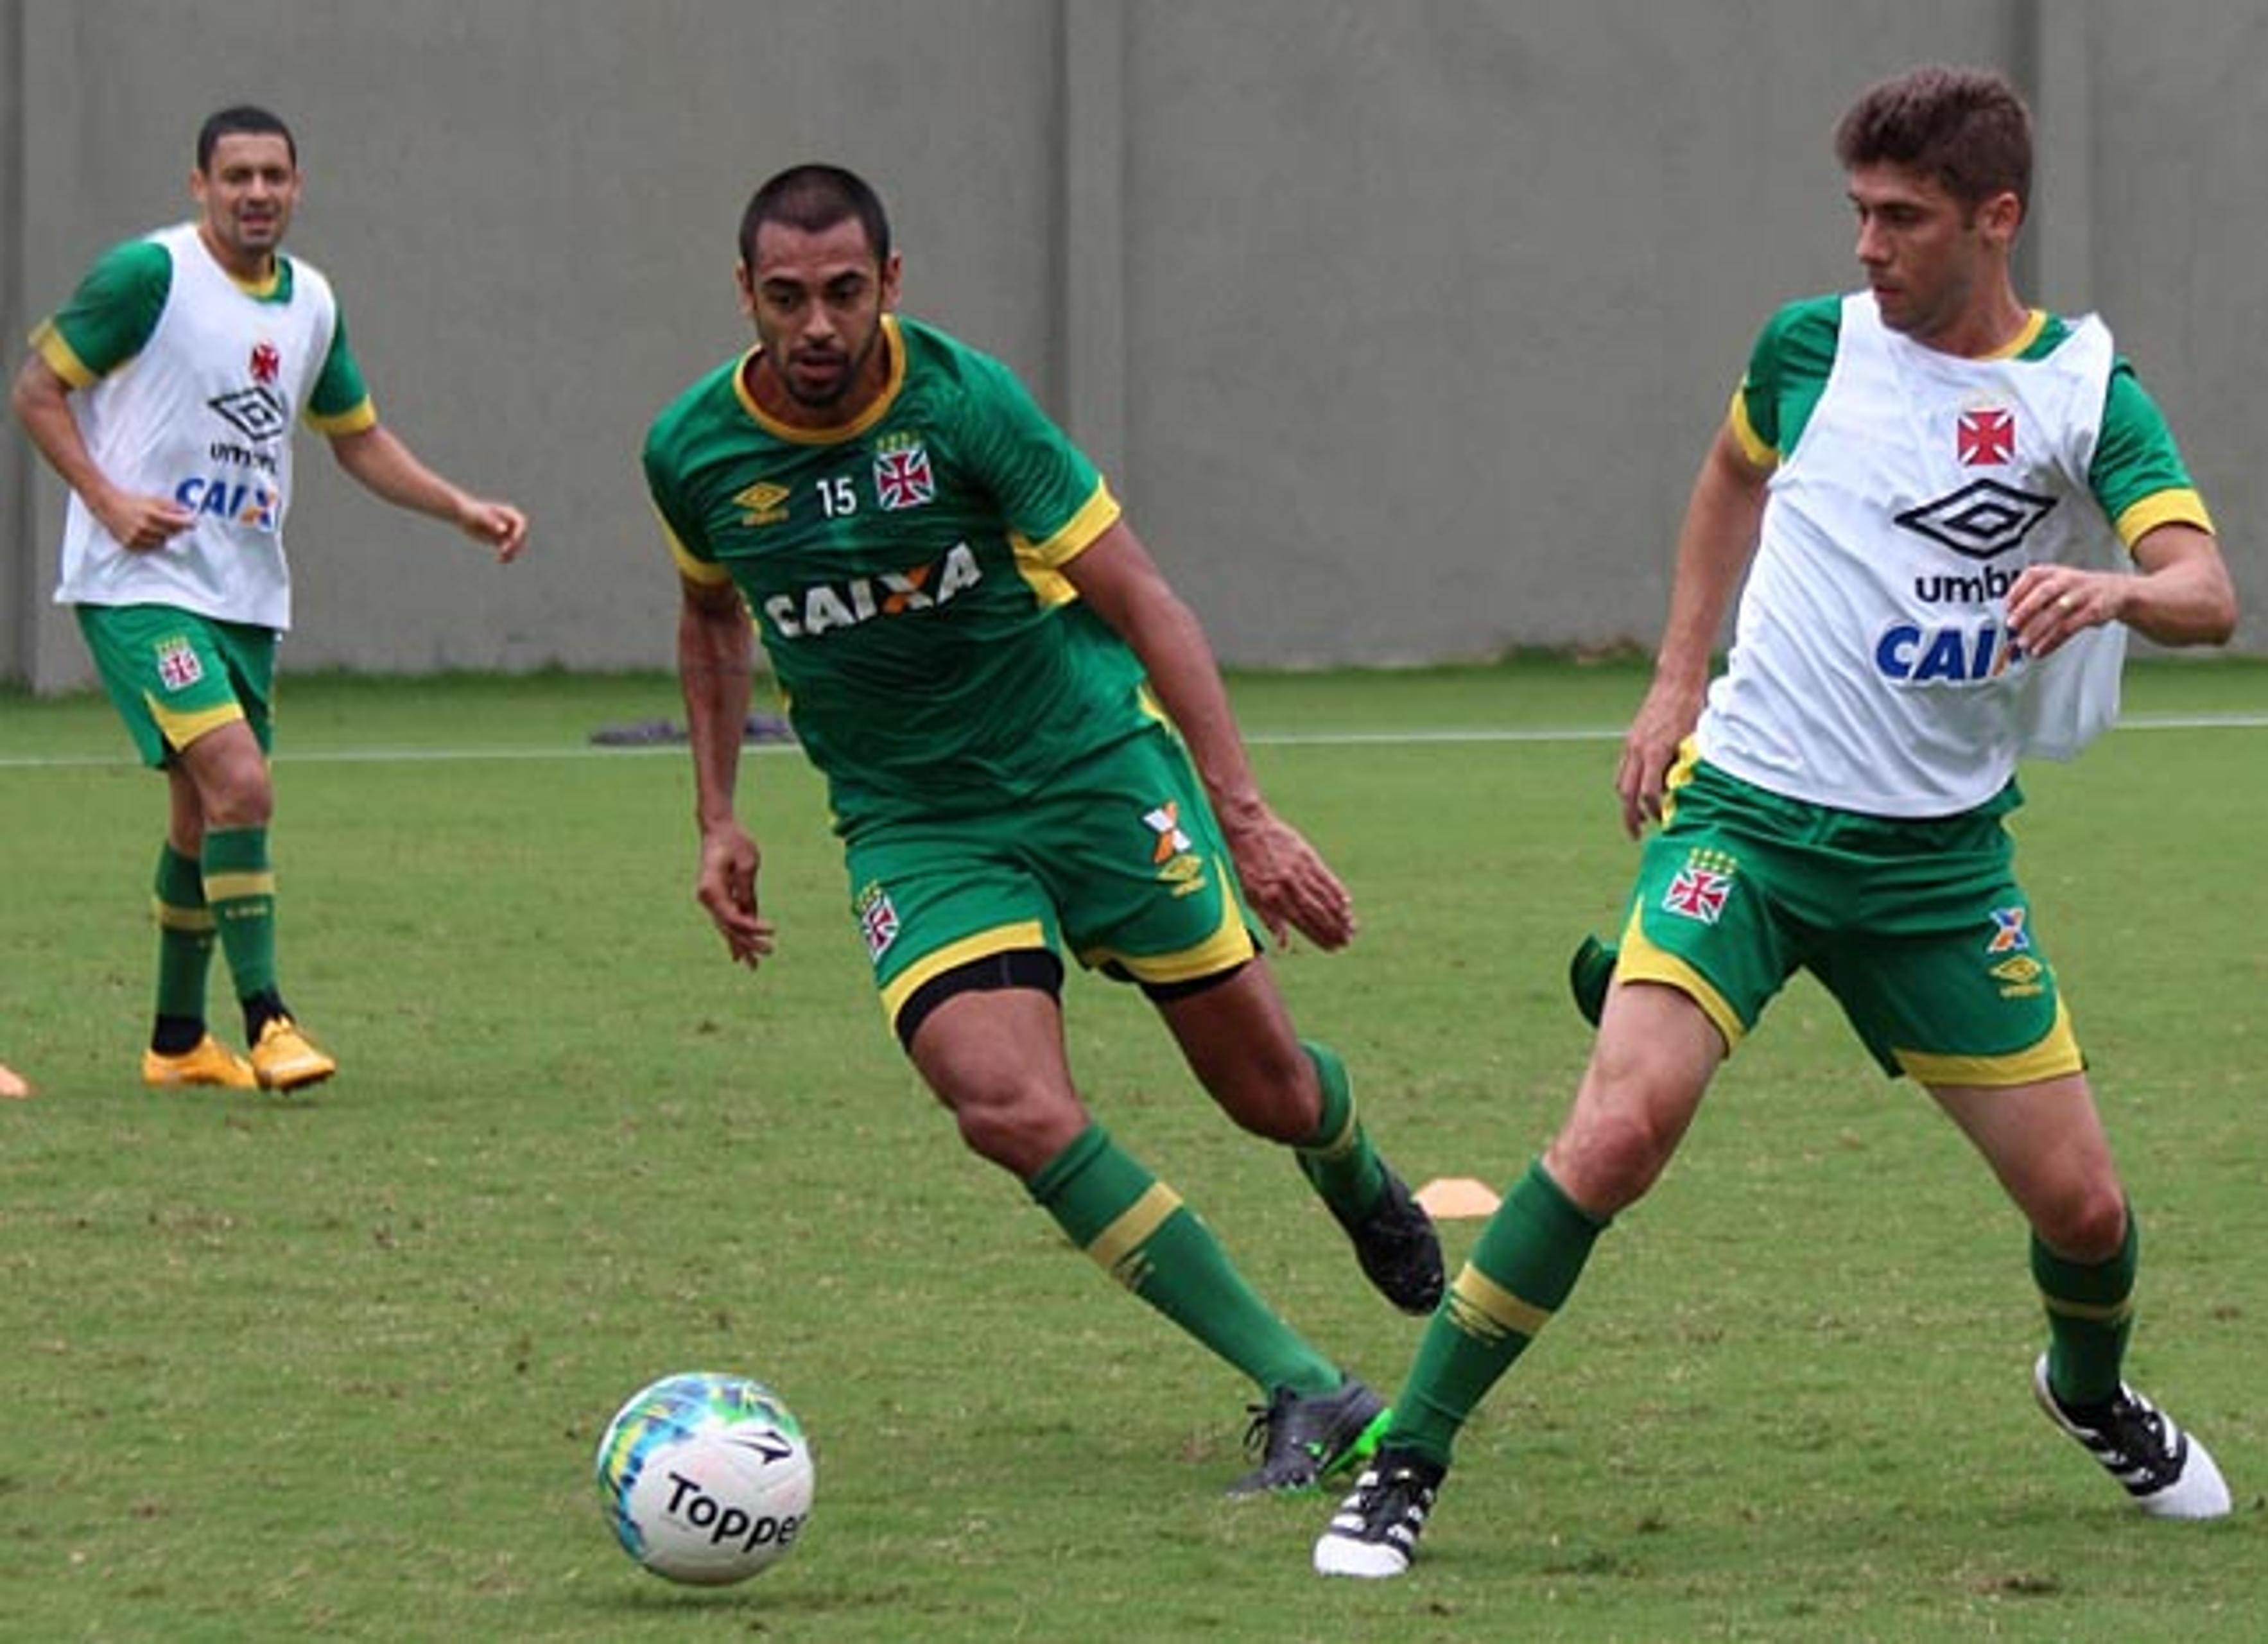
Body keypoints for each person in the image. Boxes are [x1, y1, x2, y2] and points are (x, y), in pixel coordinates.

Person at [1315, 64, 2239, 1579]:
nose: (1868, 248)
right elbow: (1729, 475)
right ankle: (1406, 1457)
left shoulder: (2078, 394)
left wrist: (2125, 586)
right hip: (1745, 818)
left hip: (1937, 865)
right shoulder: (1810, 348)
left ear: (1996, 220)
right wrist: (1674, 681)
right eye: (1858, 213)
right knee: (1618, 1135)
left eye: (1905, 218)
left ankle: (2090, 1394)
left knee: (2083, 1208)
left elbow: (2208, 591)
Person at [644, 164, 1444, 1495]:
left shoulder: (968, 407)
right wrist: (719, 813)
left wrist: (1245, 814)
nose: (818, 327)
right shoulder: (693, 452)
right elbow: (713, 617)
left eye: (845, 293)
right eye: (786, 299)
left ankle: (1346, 1161)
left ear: (892, 284)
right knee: (1005, 1106)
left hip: (1087, 770)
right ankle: (1307, 1385)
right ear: (745, 296)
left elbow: (1142, 599)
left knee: (1268, 1092)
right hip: (915, 824)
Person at [11, 106, 529, 1095]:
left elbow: (355, 435)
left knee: (203, 819)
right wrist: (110, 499)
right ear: (198, 185)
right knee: (241, 783)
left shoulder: (312, 304)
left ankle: (175, 1042)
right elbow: (37, 388)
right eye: (236, 175)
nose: (256, 193)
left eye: (273, 177)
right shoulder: (148, 277)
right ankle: (268, 1018)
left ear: (298, 187)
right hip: (138, 586)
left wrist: (456, 506)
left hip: (244, 595)